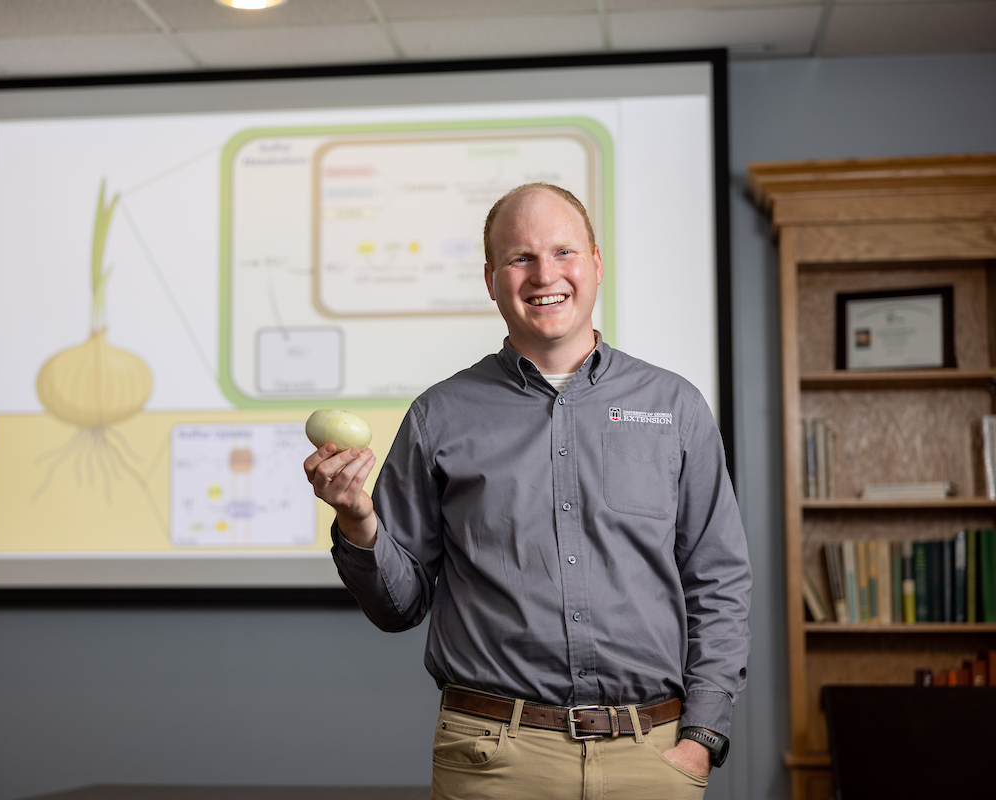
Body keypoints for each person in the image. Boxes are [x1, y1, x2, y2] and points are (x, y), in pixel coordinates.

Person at [304, 183, 751, 799]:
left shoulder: (676, 407)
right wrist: (358, 522)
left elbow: (718, 580)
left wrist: (701, 735)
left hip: (651, 759)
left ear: (595, 264)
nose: (546, 275)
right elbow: (398, 607)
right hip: (495, 761)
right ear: (491, 280)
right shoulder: (439, 416)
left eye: (563, 252)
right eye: (520, 258)